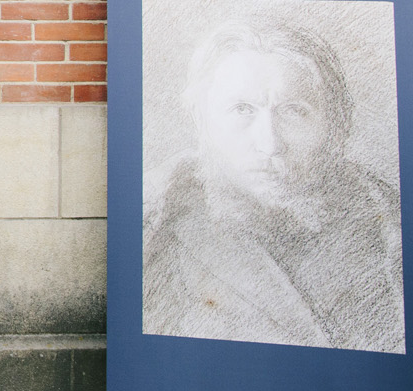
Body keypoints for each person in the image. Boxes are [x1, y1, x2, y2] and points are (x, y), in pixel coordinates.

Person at [143, 20, 404, 353]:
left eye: (294, 111)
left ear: (333, 124)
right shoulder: (154, 225)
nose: (270, 144)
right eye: (242, 110)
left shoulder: (387, 225)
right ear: (201, 119)